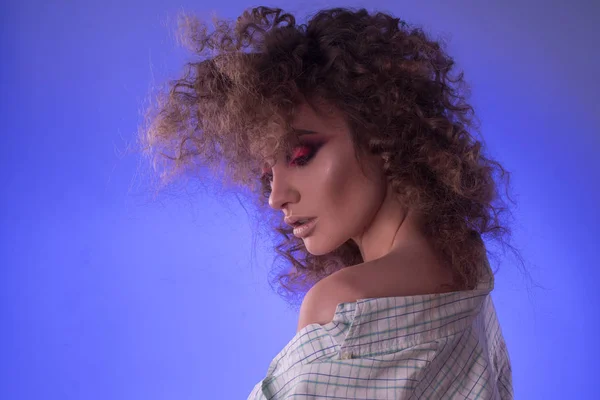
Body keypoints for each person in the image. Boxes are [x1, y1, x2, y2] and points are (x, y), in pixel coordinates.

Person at [139, 6, 517, 399]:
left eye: (301, 155)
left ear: (380, 130)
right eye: (267, 173)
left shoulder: (340, 305)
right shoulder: (467, 264)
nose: (275, 197)